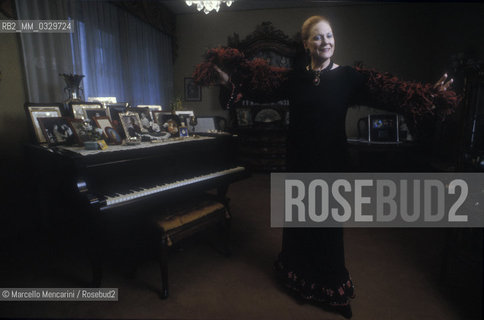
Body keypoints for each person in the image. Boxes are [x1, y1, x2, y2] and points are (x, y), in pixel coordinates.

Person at [194, 15, 458, 318]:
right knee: (299, 224)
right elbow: (259, 91)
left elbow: (391, 93)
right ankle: (297, 279)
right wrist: (228, 81)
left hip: (330, 163)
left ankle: (331, 290)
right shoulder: (294, 78)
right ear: (307, 44)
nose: (326, 42)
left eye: (329, 36)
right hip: (298, 160)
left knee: (327, 228)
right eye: (318, 37)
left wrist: (430, 95)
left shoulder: (348, 76)